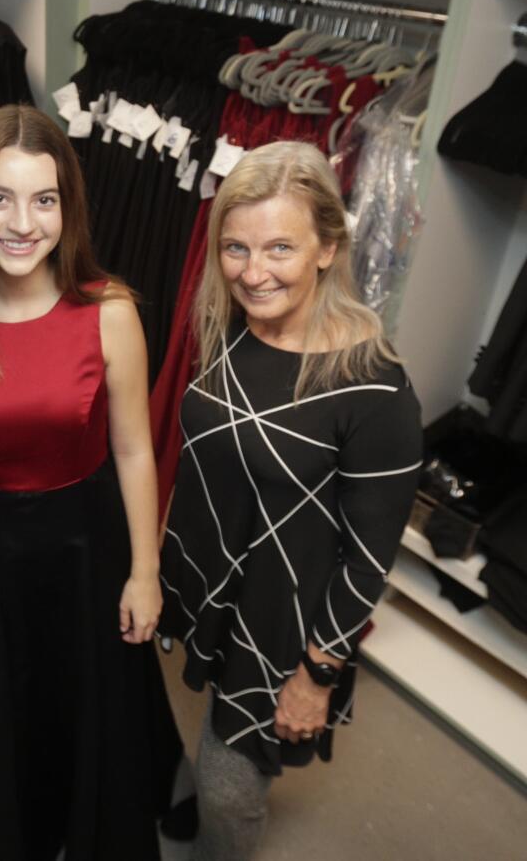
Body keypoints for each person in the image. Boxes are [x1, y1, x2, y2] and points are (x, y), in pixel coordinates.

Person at [0, 104, 184, 861]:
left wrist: (145, 572)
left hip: (88, 546)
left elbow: (135, 451)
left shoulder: (110, 313)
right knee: (2, 713)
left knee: (92, 708)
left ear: (69, 207)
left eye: (44, 199)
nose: (22, 223)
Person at [158, 140, 422, 861]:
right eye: (236, 248)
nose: (252, 271)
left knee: (230, 788)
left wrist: (316, 677)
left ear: (328, 248)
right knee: (195, 742)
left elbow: (369, 560)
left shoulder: (374, 387)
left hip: (283, 629)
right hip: (213, 588)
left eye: (280, 247)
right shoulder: (231, 327)